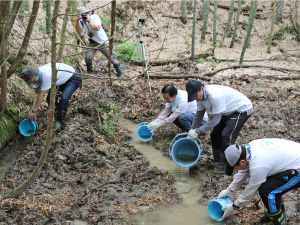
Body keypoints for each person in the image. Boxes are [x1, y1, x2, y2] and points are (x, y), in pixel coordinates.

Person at [217, 139, 300, 225]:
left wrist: (235, 206)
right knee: (271, 186)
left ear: (241, 162)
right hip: (292, 160)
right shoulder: (248, 149)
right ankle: (278, 212)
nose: (235, 169)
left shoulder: (258, 165)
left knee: (268, 191)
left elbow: (252, 189)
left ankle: (279, 221)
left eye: (234, 167)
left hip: (298, 169)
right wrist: (229, 190)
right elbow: (244, 171)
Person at [185, 80, 253, 166]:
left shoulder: (215, 96)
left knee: (226, 135)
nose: (195, 98)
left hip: (241, 109)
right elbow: (199, 115)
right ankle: (218, 161)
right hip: (225, 111)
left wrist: (197, 131)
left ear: (202, 88)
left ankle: (228, 165)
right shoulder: (200, 97)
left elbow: (215, 120)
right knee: (215, 135)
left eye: (195, 95)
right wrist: (192, 131)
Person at [20, 63, 82, 128]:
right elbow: (37, 94)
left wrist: (34, 111)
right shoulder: (35, 79)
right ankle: (57, 112)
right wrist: (33, 110)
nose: (33, 82)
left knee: (64, 98)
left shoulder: (46, 75)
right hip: (59, 79)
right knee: (49, 99)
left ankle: (60, 120)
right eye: (31, 81)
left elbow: (41, 95)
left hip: (73, 75)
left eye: (33, 80)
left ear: (37, 73)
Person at [75, 6, 122, 78]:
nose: (83, 16)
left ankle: (120, 74)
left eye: (84, 14)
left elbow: (97, 28)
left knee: (112, 58)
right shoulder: (80, 21)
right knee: (88, 57)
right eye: (81, 15)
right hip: (93, 42)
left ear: (87, 13)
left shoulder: (94, 17)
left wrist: (89, 21)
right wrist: (77, 21)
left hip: (103, 41)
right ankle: (90, 73)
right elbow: (78, 31)